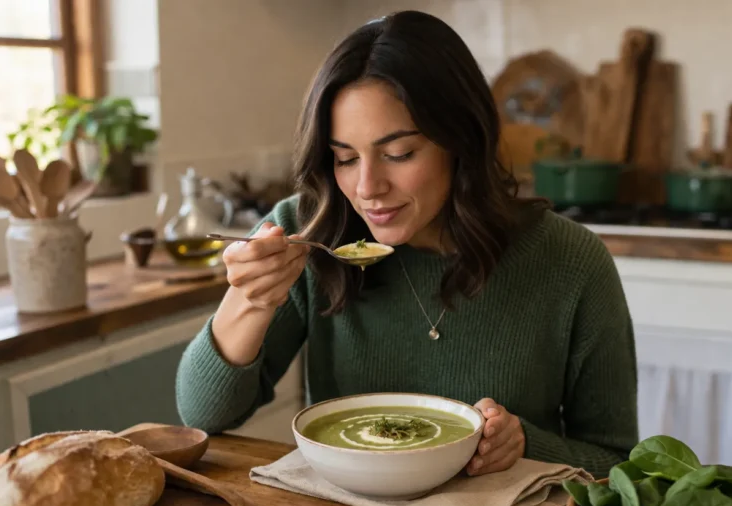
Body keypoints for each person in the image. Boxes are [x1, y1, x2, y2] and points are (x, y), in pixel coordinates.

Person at [175, 10, 638, 479]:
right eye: (345, 158)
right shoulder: (309, 229)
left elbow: (618, 463)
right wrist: (249, 299)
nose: (367, 187)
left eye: (398, 154)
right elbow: (203, 417)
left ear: (461, 140)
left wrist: (525, 445)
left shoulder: (570, 261)